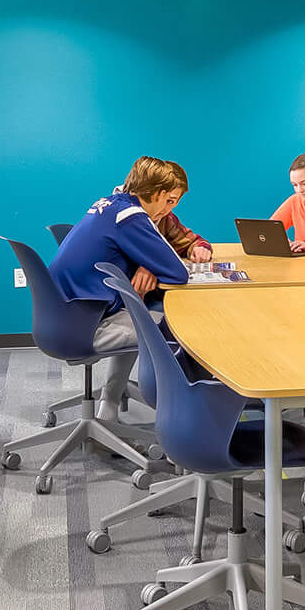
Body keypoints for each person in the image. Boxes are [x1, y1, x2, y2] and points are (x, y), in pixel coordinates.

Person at [53, 156, 196, 415]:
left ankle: (109, 407)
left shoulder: (108, 204)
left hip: (63, 317)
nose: (167, 211)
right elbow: (178, 273)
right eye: (168, 201)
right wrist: (152, 262)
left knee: (137, 311)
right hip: (83, 327)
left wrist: (147, 263)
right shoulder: (130, 216)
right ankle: (181, 416)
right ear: (160, 193)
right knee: (173, 328)